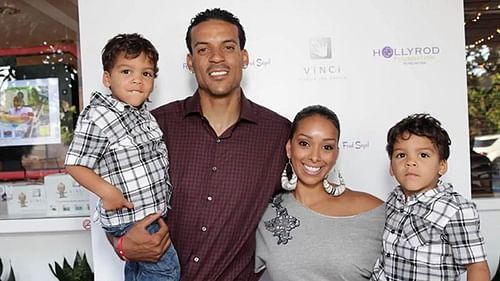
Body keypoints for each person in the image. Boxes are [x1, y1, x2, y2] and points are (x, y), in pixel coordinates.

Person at [113, 8, 291, 281]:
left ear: (244, 57)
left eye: (228, 47)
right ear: (190, 61)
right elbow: (116, 199)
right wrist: (123, 245)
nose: (217, 57)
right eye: (204, 49)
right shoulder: (153, 127)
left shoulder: (277, 133)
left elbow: (309, 200)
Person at [64, 33, 180, 281]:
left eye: (146, 74)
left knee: (138, 272)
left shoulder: (146, 117)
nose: (137, 80)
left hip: (148, 213)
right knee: (167, 271)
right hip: (132, 218)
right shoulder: (99, 115)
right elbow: (75, 163)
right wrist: (108, 192)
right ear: (107, 78)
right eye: (127, 71)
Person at [255, 105, 385, 281]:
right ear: (289, 148)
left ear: (336, 154)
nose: (314, 157)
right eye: (304, 143)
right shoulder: (265, 212)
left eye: (327, 147)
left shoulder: (374, 211)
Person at [371, 113, 490, 281]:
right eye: (401, 155)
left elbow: (477, 267)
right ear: (391, 166)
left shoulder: (455, 209)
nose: (410, 162)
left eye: (423, 155)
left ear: (441, 166)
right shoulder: (393, 200)